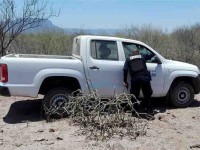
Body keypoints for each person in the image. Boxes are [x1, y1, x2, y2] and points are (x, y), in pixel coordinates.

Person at [123, 48, 154, 115]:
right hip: (145, 79)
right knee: (147, 95)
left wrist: (125, 81)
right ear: (138, 53)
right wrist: (148, 51)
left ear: (132, 53)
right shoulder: (142, 56)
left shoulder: (128, 59)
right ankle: (149, 113)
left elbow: (125, 69)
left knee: (134, 97)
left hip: (135, 80)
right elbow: (152, 54)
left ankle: (134, 113)